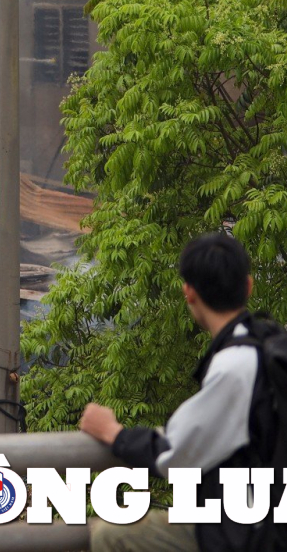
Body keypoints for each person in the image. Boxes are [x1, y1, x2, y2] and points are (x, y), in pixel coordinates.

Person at [77, 233, 265, 552]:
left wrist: (114, 433)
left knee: (113, 534)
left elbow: (175, 456)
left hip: (252, 535)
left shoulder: (234, 364)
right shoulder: (280, 349)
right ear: (248, 286)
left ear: (188, 293)